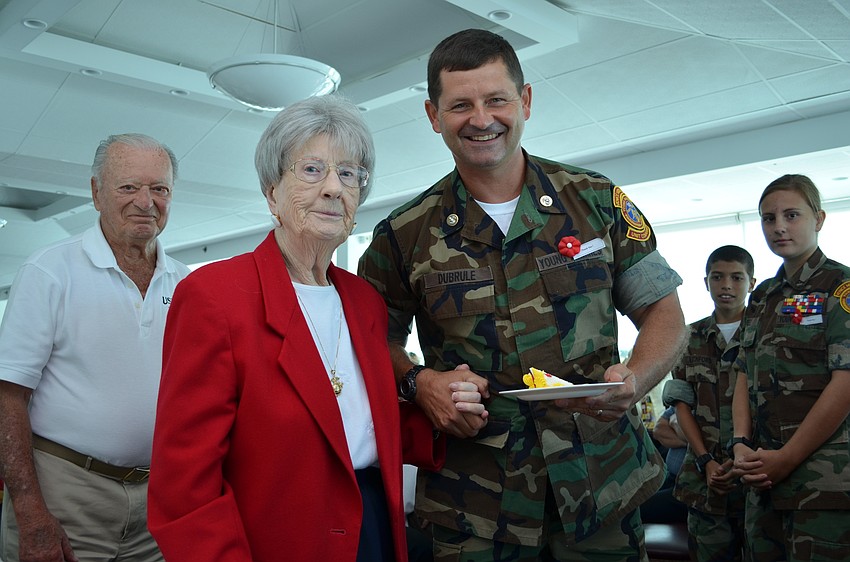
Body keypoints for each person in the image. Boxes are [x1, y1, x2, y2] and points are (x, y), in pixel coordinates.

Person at [358, 28, 687, 560]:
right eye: (460, 105)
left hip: (603, 487)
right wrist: (420, 383)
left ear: (525, 101)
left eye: (496, 99)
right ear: (433, 115)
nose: (481, 119)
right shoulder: (403, 235)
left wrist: (636, 377)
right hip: (477, 505)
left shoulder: (595, 201)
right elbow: (370, 342)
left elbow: (665, 314)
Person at [146, 95, 485, 562]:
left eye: (348, 174)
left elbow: (359, 419)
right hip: (278, 537)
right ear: (272, 193)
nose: (333, 188)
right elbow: (184, 485)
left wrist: (443, 405)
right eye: (311, 170)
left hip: (375, 526)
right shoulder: (214, 296)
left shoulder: (363, 300)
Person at [0, 133, 187, 562]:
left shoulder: (187, 283)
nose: (146, 202)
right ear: (96, 192)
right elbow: (7, 397)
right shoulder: (49, 271)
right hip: (65, 495)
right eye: (129, 187)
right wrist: (30, 512)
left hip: (157, 499)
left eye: (159, 188)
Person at [731, 174, 850, 561]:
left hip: (823, 482)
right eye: (768, 218)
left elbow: (846, 383)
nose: (779, 226)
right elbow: (744, 371)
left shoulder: (840, 287)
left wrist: (789, 457)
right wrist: (739, 442)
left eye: (791, 215)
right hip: (763, 476)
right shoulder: (763, 295)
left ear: (819, 219)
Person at [663, 245, 755, 561]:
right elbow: (681, 405)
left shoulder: (765, 334)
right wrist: (705, 460)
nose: (726, 285)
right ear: (706, 282)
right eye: (717, 277)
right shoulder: (688, 337)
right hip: (705, 479)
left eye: (737, 277)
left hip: (758, 476)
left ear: (752, 283)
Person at [641, 405, 689, 525]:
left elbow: (709, 439)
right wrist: (694, 442)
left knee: (634, 509)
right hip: (669, 477)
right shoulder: (685, 399)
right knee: (631, 497)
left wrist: (675, 422)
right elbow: (659, 430)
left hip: (691, 487)